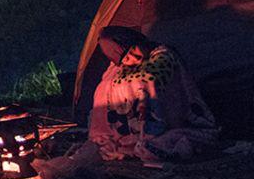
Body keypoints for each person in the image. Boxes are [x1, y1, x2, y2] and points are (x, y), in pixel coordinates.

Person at [89, 26, 218, 162]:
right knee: (105, 87)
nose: (134, 58)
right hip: (132, 126)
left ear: (137, 41)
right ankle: (132, 134)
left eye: (133, 50)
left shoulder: (163, 54)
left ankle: (152, 133)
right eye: (127, 59)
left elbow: (150, 78)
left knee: (143, 84)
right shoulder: (120, 67)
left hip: (173, 121)